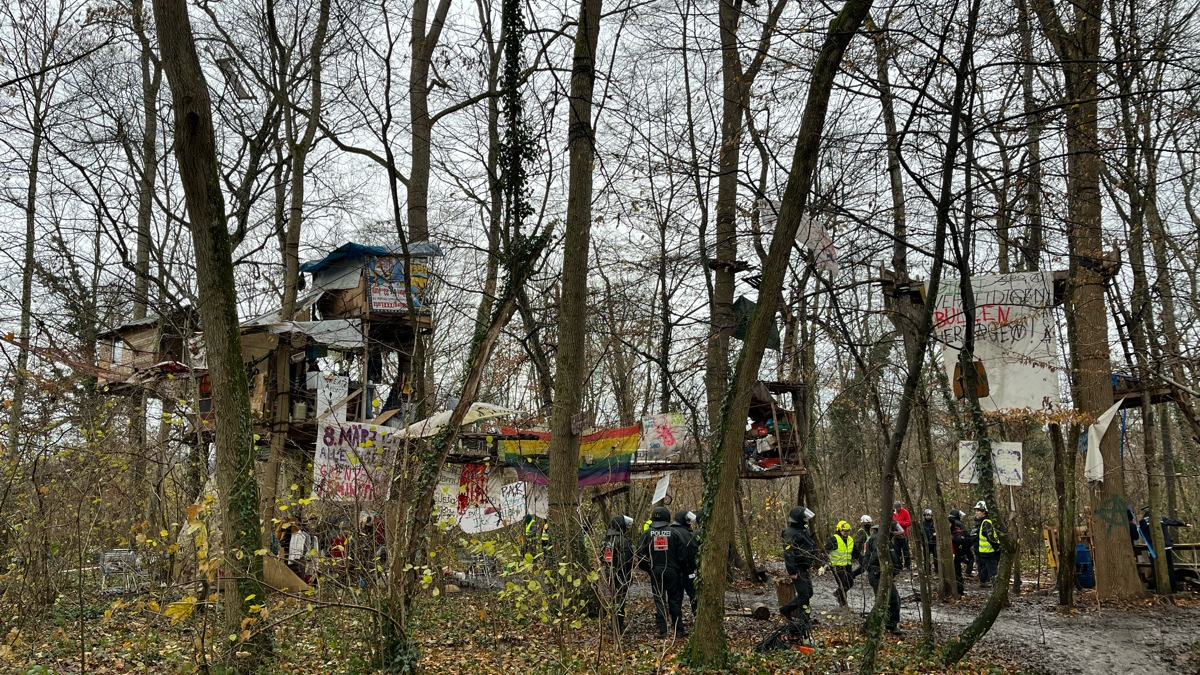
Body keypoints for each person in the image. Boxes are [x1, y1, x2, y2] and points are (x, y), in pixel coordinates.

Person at [638, 506, 686, 638]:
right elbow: (683, 554)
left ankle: (663, 630)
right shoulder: (675, 533)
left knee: (659, 599)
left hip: (656, 571)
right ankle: (679, 629)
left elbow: (640, 555)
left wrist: (649, 568)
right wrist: (679, 569)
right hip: (672, 571)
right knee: (674, 599)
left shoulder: (647, 534)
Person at [1138, 506, 1194, 592]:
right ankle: (1173, 589)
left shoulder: (1142, 522)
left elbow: (1143, 535)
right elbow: (1173, 522)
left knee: (1156, 568)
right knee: (1170, 568)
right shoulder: (1161, 518)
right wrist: (1184, 524)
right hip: (1166, 545)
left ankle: (1158, 588)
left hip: (1153, 548)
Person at [779, 505, 819, 625]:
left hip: (804, 566)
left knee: (809, 593)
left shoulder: (803, 530)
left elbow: (810, 545)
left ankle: (786, 609)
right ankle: (804, 620)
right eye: (804, 517)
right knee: (804, 594)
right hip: (797, 567)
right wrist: (792, 571)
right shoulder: (789, 533)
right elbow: (788, 553)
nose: (806, 519)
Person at [863, 522, 903, 635]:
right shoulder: (878, 539)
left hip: (883, 574)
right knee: (884, 600)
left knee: (893, 599)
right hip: (878, 574)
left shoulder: (884, 539)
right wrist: (880, 570)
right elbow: (876, 556)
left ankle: (890, 625)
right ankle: (869, 627)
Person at [601, 515, 635, 633]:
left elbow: (602, 557)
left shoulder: (605, 539)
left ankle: (614, 624)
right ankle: (618, 627)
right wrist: (628, 575)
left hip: (608, 572)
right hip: (621, 574)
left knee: (613, 599)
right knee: (620, 600)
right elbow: (628, 560)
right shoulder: (623, 540)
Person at [671, 510, 699, 615]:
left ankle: (677, 622)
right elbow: (693, 552)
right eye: (688, 520)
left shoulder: (669, 531)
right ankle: (697, 617)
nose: (689, 522)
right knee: (694, 596)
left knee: (675, 598)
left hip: (672, 570)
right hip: (687, 571)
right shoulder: (688, 534)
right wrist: (692, 566)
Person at [824, 520, 858, 606]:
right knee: (843, 585)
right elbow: (824, 552)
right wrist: (823, 565)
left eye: (848, 531)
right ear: (839, 530)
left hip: (847, 565)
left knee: (850, 583)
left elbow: (856, 552)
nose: (846, 532)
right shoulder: (833, 539)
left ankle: (837, 593)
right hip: (836, 566)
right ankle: (843, 603)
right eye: (844, 531)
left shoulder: (850, 539)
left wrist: (863, 561)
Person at [974, 501, 999, 587]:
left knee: (986, 568)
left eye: (978, 510)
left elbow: (990, 536)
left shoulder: (986, 522)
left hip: (986, 551)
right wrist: (997, 548)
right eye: (976, 510)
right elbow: (990, 537)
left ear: (984, 511)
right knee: (991, 570)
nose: (976, 512)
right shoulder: (985, 522)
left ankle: (986, 583)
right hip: (988, 551)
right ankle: (993, 584)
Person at [948, 510, 969, 594]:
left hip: (956, 554)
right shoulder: (948, 531)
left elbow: (962, 539)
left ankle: (959, 589)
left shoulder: (956, 531)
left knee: (957, 571)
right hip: (951, 555)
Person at [892, 501, 912, 569]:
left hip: (904, 534)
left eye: (898, 508)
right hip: (895, 535)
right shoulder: (893, 513)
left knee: (905, 550)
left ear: (900, 507)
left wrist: (900, 523)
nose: (897, 509)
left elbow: (909, 522)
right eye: (895, 508)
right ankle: (899, 565)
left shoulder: (905, 512)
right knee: (897, 550)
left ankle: (907, 565)